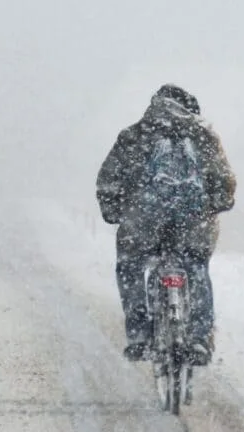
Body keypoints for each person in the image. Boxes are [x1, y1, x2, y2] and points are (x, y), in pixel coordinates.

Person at [95, 84, 236, 365]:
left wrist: (112, 210)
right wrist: (220, 202)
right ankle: (198, 339)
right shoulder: (204, 136)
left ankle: (139, 336)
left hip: (143, 225)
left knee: (130, 266)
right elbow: (224, 181)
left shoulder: (134, 135)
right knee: (195, 266)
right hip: (192, 226)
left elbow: (109, 179)